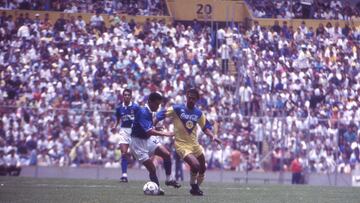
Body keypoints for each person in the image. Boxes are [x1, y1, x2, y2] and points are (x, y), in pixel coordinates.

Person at [155, 88, 222, 196]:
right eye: (189, 97)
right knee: (195, 165)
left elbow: (205, 127)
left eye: (193, 98)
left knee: (202, 168)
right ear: (186, 96)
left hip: (195, 145)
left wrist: (213, 136)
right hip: (181, 145)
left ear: (196, 100)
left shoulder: (199, 113)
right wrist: (153, 125)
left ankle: (195, 187)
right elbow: (161, 114)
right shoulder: (177, 109)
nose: (191, 100)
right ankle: (194, 186)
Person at [130, 92, 181, 195]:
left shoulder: (149, 111)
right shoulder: (143, 112)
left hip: (147, 140)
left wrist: (155, 128)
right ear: (149, 102)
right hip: (138, 144)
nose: (158, 107)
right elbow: (148, 131)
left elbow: (146, 128)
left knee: (166, 154)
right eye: (156, 104)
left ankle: (169, 179)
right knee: (152, 168)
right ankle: (156, 188)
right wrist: (164, 133)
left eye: (159, 105)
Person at [112, 89, 140, 182]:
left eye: (128, 95)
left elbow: (140, 118)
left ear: (131, 96)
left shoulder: (136, 107)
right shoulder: (119, 108)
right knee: (123, 153)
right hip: (124, 130)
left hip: (134, 131)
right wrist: (114, 126)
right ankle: (124, 175)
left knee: (135, 153)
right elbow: (118, 119)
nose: (127, 96)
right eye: (125, 95)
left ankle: (132, 157)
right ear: (123, 96)